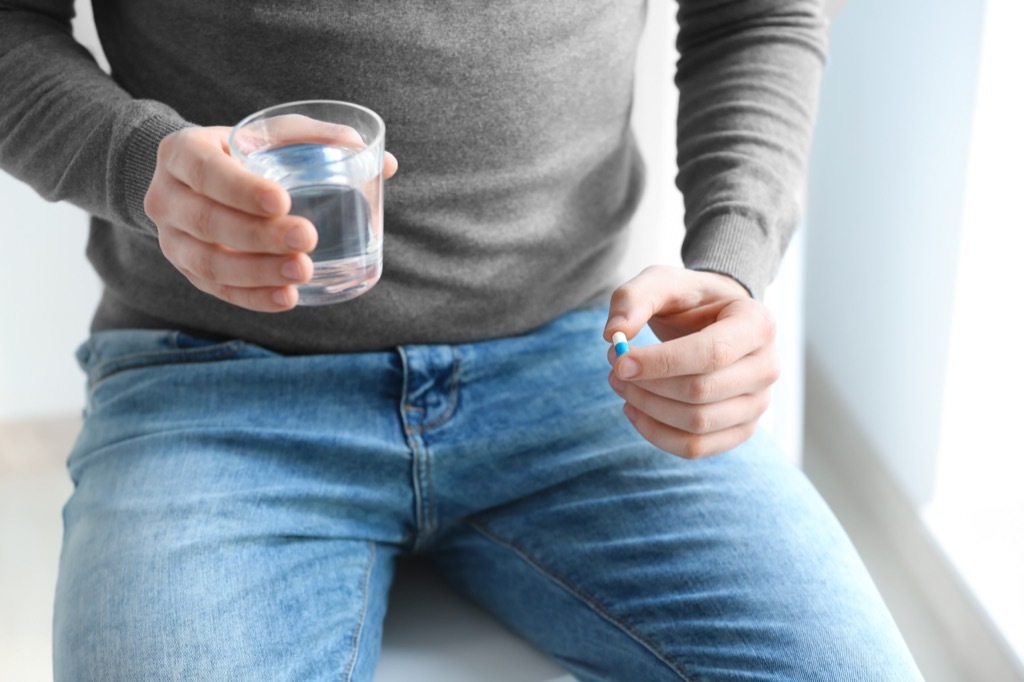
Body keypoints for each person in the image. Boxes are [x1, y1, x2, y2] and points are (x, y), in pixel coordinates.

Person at [0, 1, 923, 680]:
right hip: (213, 386)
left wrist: (730, 262)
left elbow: (755, 14)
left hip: (588, 367)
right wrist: (138, 162)